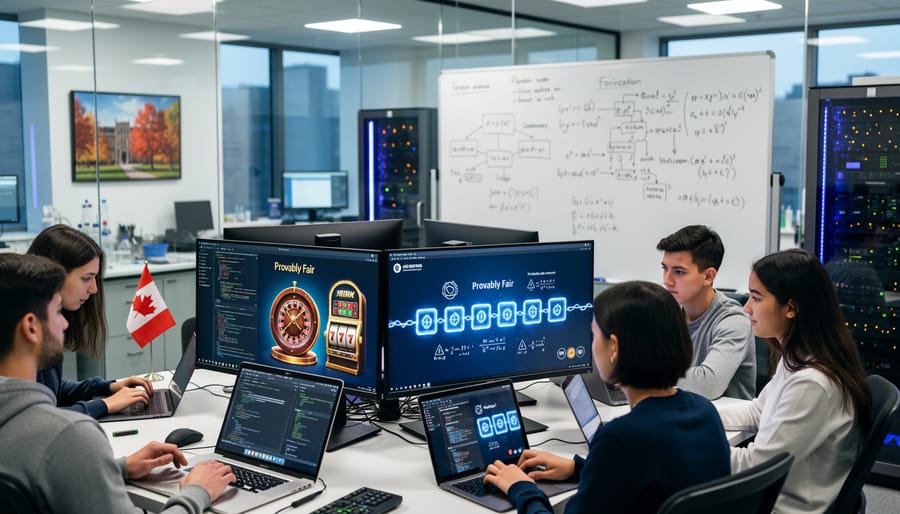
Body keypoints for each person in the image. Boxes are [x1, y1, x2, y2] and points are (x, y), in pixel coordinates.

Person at [0, 253, 235, 513]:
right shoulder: (68, 438)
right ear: (31, 328)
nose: (65, 322)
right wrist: (197, 492)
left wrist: (115, 468)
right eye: (57, 311)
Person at [484, 281, 731, 513]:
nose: (591, 346)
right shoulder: (704, 412)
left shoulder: (621, 438)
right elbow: (654, 478)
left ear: (614, 347)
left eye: (594, 334)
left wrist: (521, 488)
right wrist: (580, 468)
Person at [717, 249, 872, 514]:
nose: (746, 308)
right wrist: (694, 416)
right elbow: (757, 411)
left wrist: (690, 443)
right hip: (773, 496)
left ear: (791, 308)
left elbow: (758, 467)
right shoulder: (800, 357)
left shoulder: (812, 383)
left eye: (756, 298)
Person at [28, 224, 153, 418]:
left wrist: (105, 387)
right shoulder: (23, 333)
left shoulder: (44, 319)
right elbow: (38, 417)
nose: (94, 289)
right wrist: (104, 405)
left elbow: (50, 391)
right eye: (86, 278)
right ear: (53, 275)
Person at [656, 224, 756, 399]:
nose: (667, 280)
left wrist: (642, 372)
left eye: (679, 272)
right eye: (665, 268)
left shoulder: (734, 320)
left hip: (724, 424)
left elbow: (707, 384)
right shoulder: (667, 314)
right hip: (680, 413)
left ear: (709, 276)